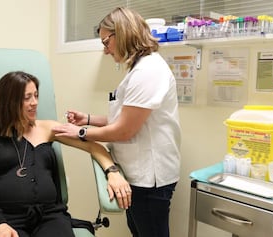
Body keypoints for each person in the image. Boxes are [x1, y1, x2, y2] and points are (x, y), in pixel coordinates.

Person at [52, 7, 181, 237]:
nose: (105, 50)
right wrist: (88, 119)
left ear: (120, 34)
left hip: (149, 178)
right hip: (136, 173)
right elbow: (123, 118)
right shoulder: (137, 70)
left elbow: (124, 131)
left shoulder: (148, 71)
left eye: (105, 42)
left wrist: (80, 132)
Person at [0, 71, 131, 237]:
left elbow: (94, 147)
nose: (34, 103)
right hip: (7, 218)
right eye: (27, 97)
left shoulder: (48, 129)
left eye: (36, 96)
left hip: (49, 217)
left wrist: (113, 173)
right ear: (9, 102)